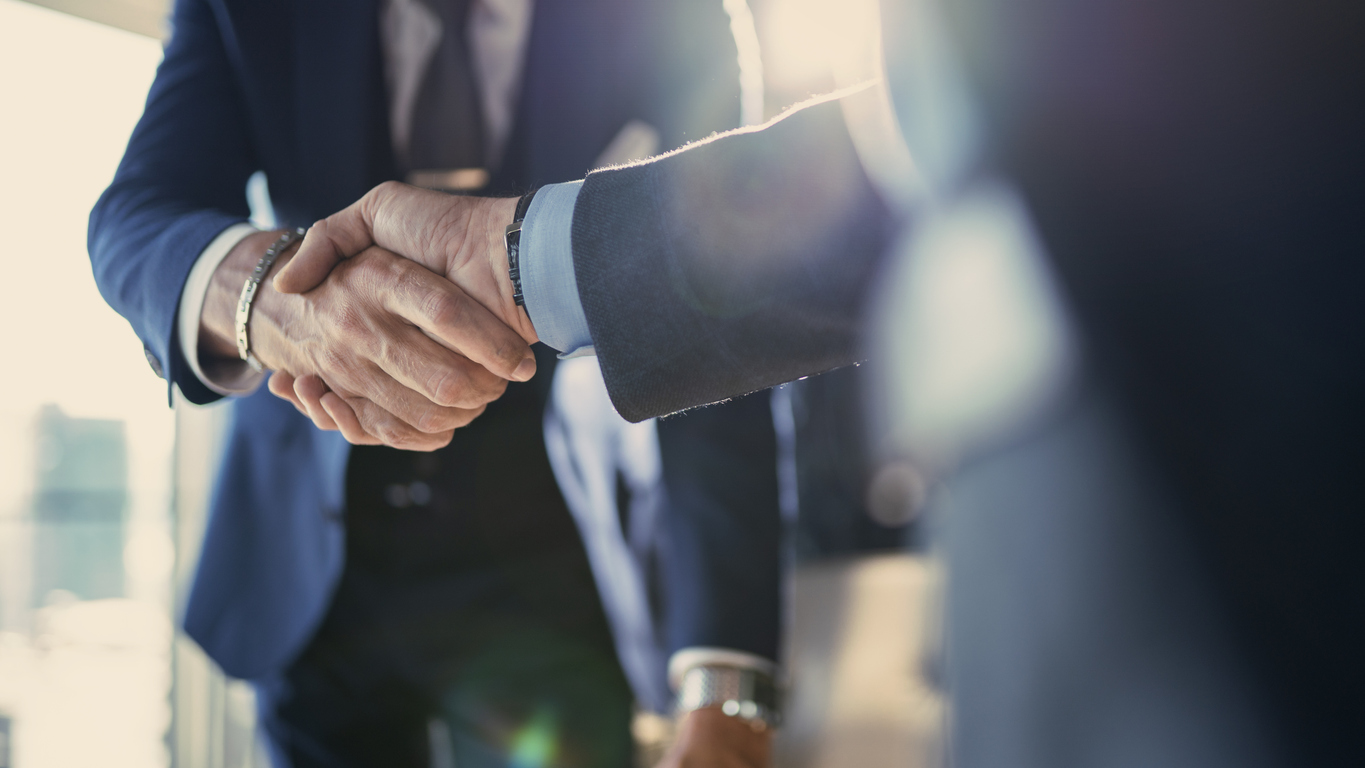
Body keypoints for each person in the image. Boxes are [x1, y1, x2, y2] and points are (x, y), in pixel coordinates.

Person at [273, 0, 1365, 765]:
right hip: (303, 616)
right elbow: (936, 142)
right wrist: (520, 263)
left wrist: (727, 684)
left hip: (1232, 567)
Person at [88, 0, 785, 765]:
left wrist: (722, 683)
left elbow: (717, 307)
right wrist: (268, 297)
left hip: (544, 562)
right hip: (311, 573)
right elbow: (138, 214)